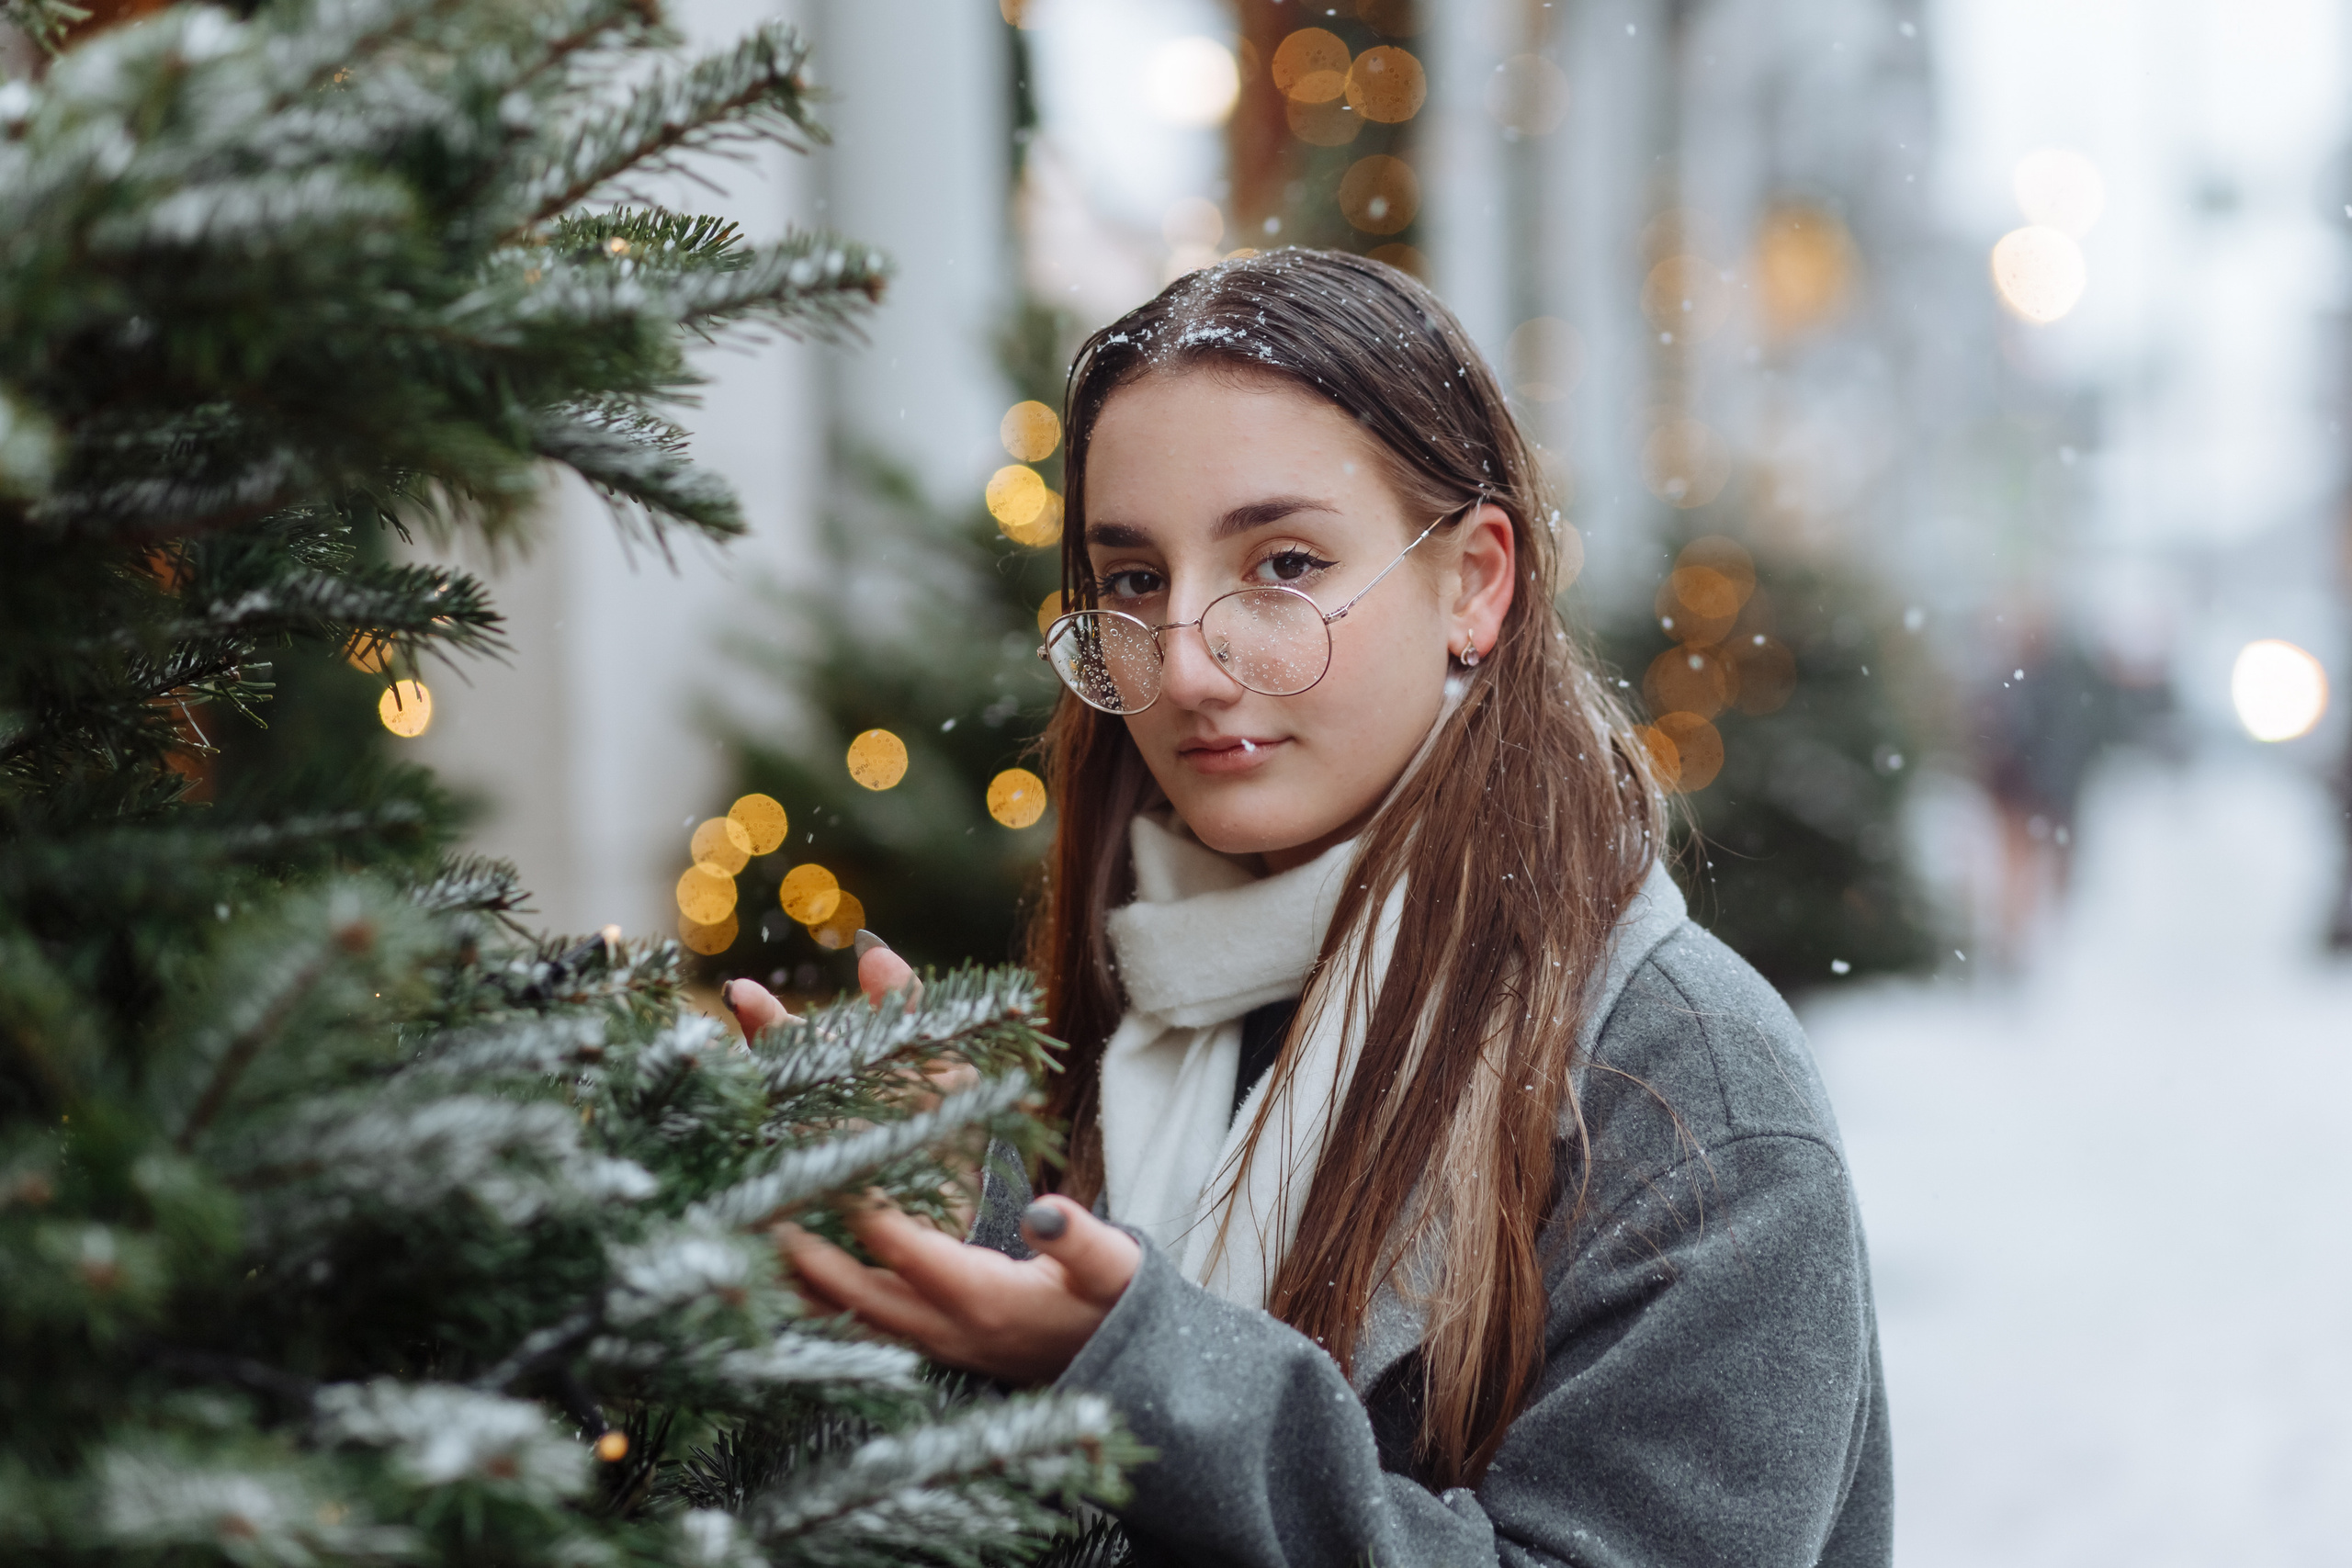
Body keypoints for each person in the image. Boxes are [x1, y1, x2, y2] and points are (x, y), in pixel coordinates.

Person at [725, 250, 1891, 1566]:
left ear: (1475, 582)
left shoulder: (1683, 1085)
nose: (1186, 667)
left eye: (1281, 565)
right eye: (1134, 581)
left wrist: (1154, 1378)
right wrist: (966, 1243)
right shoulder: (1146, 989)